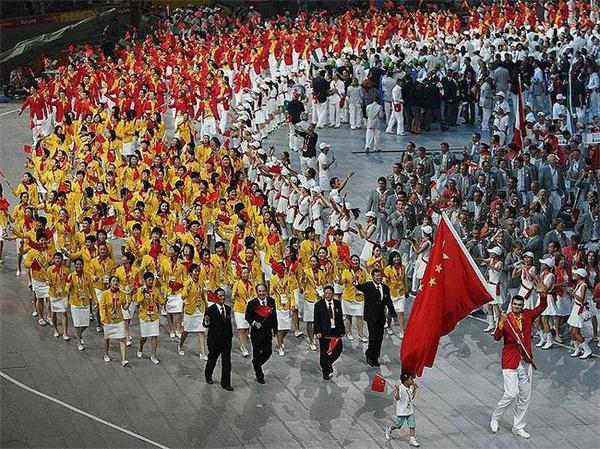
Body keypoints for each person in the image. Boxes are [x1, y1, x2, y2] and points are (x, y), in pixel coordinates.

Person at [490, 279, 548, 439]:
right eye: (514, 305)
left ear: (522, 306)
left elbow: (542, 307)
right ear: (512, 305)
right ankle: (495, 416)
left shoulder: (528, 315)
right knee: (511, 393)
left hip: (526, 361)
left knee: (524, 396)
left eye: (519, 305)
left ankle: (518, 426)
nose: (516, 307)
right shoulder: (506, 318)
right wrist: (500, 323)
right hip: (510, 361)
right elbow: (496, 337)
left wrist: (543, 294)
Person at [355, 269, 397, 366]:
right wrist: (356, 281)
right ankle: (370, 356)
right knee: (373, 338)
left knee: (379, 338)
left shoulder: (385, 288)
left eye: (380, 276)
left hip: (381, 317)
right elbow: (360, 286)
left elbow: (388, 302)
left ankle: (376, 358)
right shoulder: (368, 286)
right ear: (373, 277)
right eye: (377, 276)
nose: (379, 278)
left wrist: (394, 314)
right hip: (371, 317)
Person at [245, 283, 278, 384]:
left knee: (268, 352)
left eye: (263, 291)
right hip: (257, 334)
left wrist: (275, 329)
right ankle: (259, 375)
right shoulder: (252, 303)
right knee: (256, 353)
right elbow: (247, 316)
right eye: (259, 291)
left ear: (266, 291)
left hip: (267, 332)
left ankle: (256, 363)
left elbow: (274, 316)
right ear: (257, 292)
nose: (262, 293)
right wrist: (254, 323)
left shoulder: (271, 301)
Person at [203, 288, 233, 391]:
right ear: (216, 297)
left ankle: (226, 383)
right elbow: (205, 324)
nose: (222, 298)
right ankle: (208, 375)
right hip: (215, 340)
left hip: (226, 341)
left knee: (227, 363)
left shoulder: (228, 309)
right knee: (212, 360)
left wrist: (230, 337)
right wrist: (207, 321)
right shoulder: (210, 310)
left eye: (223, 296)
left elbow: (228, 324)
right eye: (220, 296)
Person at [314, 285, 345, 380]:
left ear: (332, 294)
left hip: (335, 330)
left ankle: (328, 363)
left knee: (338, 349)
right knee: (324, 352)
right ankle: (325, 371)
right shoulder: (319, 305)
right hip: (324, 331)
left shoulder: (337, 303)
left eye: (329, 293)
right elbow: (316, 319)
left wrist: (342, 330)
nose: (327, 295)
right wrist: (317, 331)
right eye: (326, 293)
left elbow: (340, 318)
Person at [99, 275, 129, 366]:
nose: (115, 283)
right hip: (108, 320)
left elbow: (125, 307)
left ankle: (124, 359)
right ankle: (106, 354)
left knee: (122, 339)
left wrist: (129, 300)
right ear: (110, 283)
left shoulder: (121, 293)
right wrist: (103, 318)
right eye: (113, 281)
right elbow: (102, 307)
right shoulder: (105, 294)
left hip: (119, 320)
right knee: (107, 339)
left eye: (117, 281)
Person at [136, 272, 165, 364]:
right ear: (145, 281)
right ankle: (140, 347)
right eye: (149, 280)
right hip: (144, 316)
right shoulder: (140, 290)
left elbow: (160, 300)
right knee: (144, 337)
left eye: (152, 280)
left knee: (154, 336)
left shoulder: (155, 290)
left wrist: (164, 301)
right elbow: (139, 301)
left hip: (154, 315)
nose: (151, 282)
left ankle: (153, 355)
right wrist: (144, 294)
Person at [385, 373, 420, 447]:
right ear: (405, 381)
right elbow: (397, 398)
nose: (412, 380)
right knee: (398, 425)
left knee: (412, 425)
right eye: (410, 379)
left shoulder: (410, 387)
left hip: (410, 410)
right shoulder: (400, 388)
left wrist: (415, 389)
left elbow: (412, 397)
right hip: (402, 411)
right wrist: (397, 390)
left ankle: (412, 439)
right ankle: (389, 429)